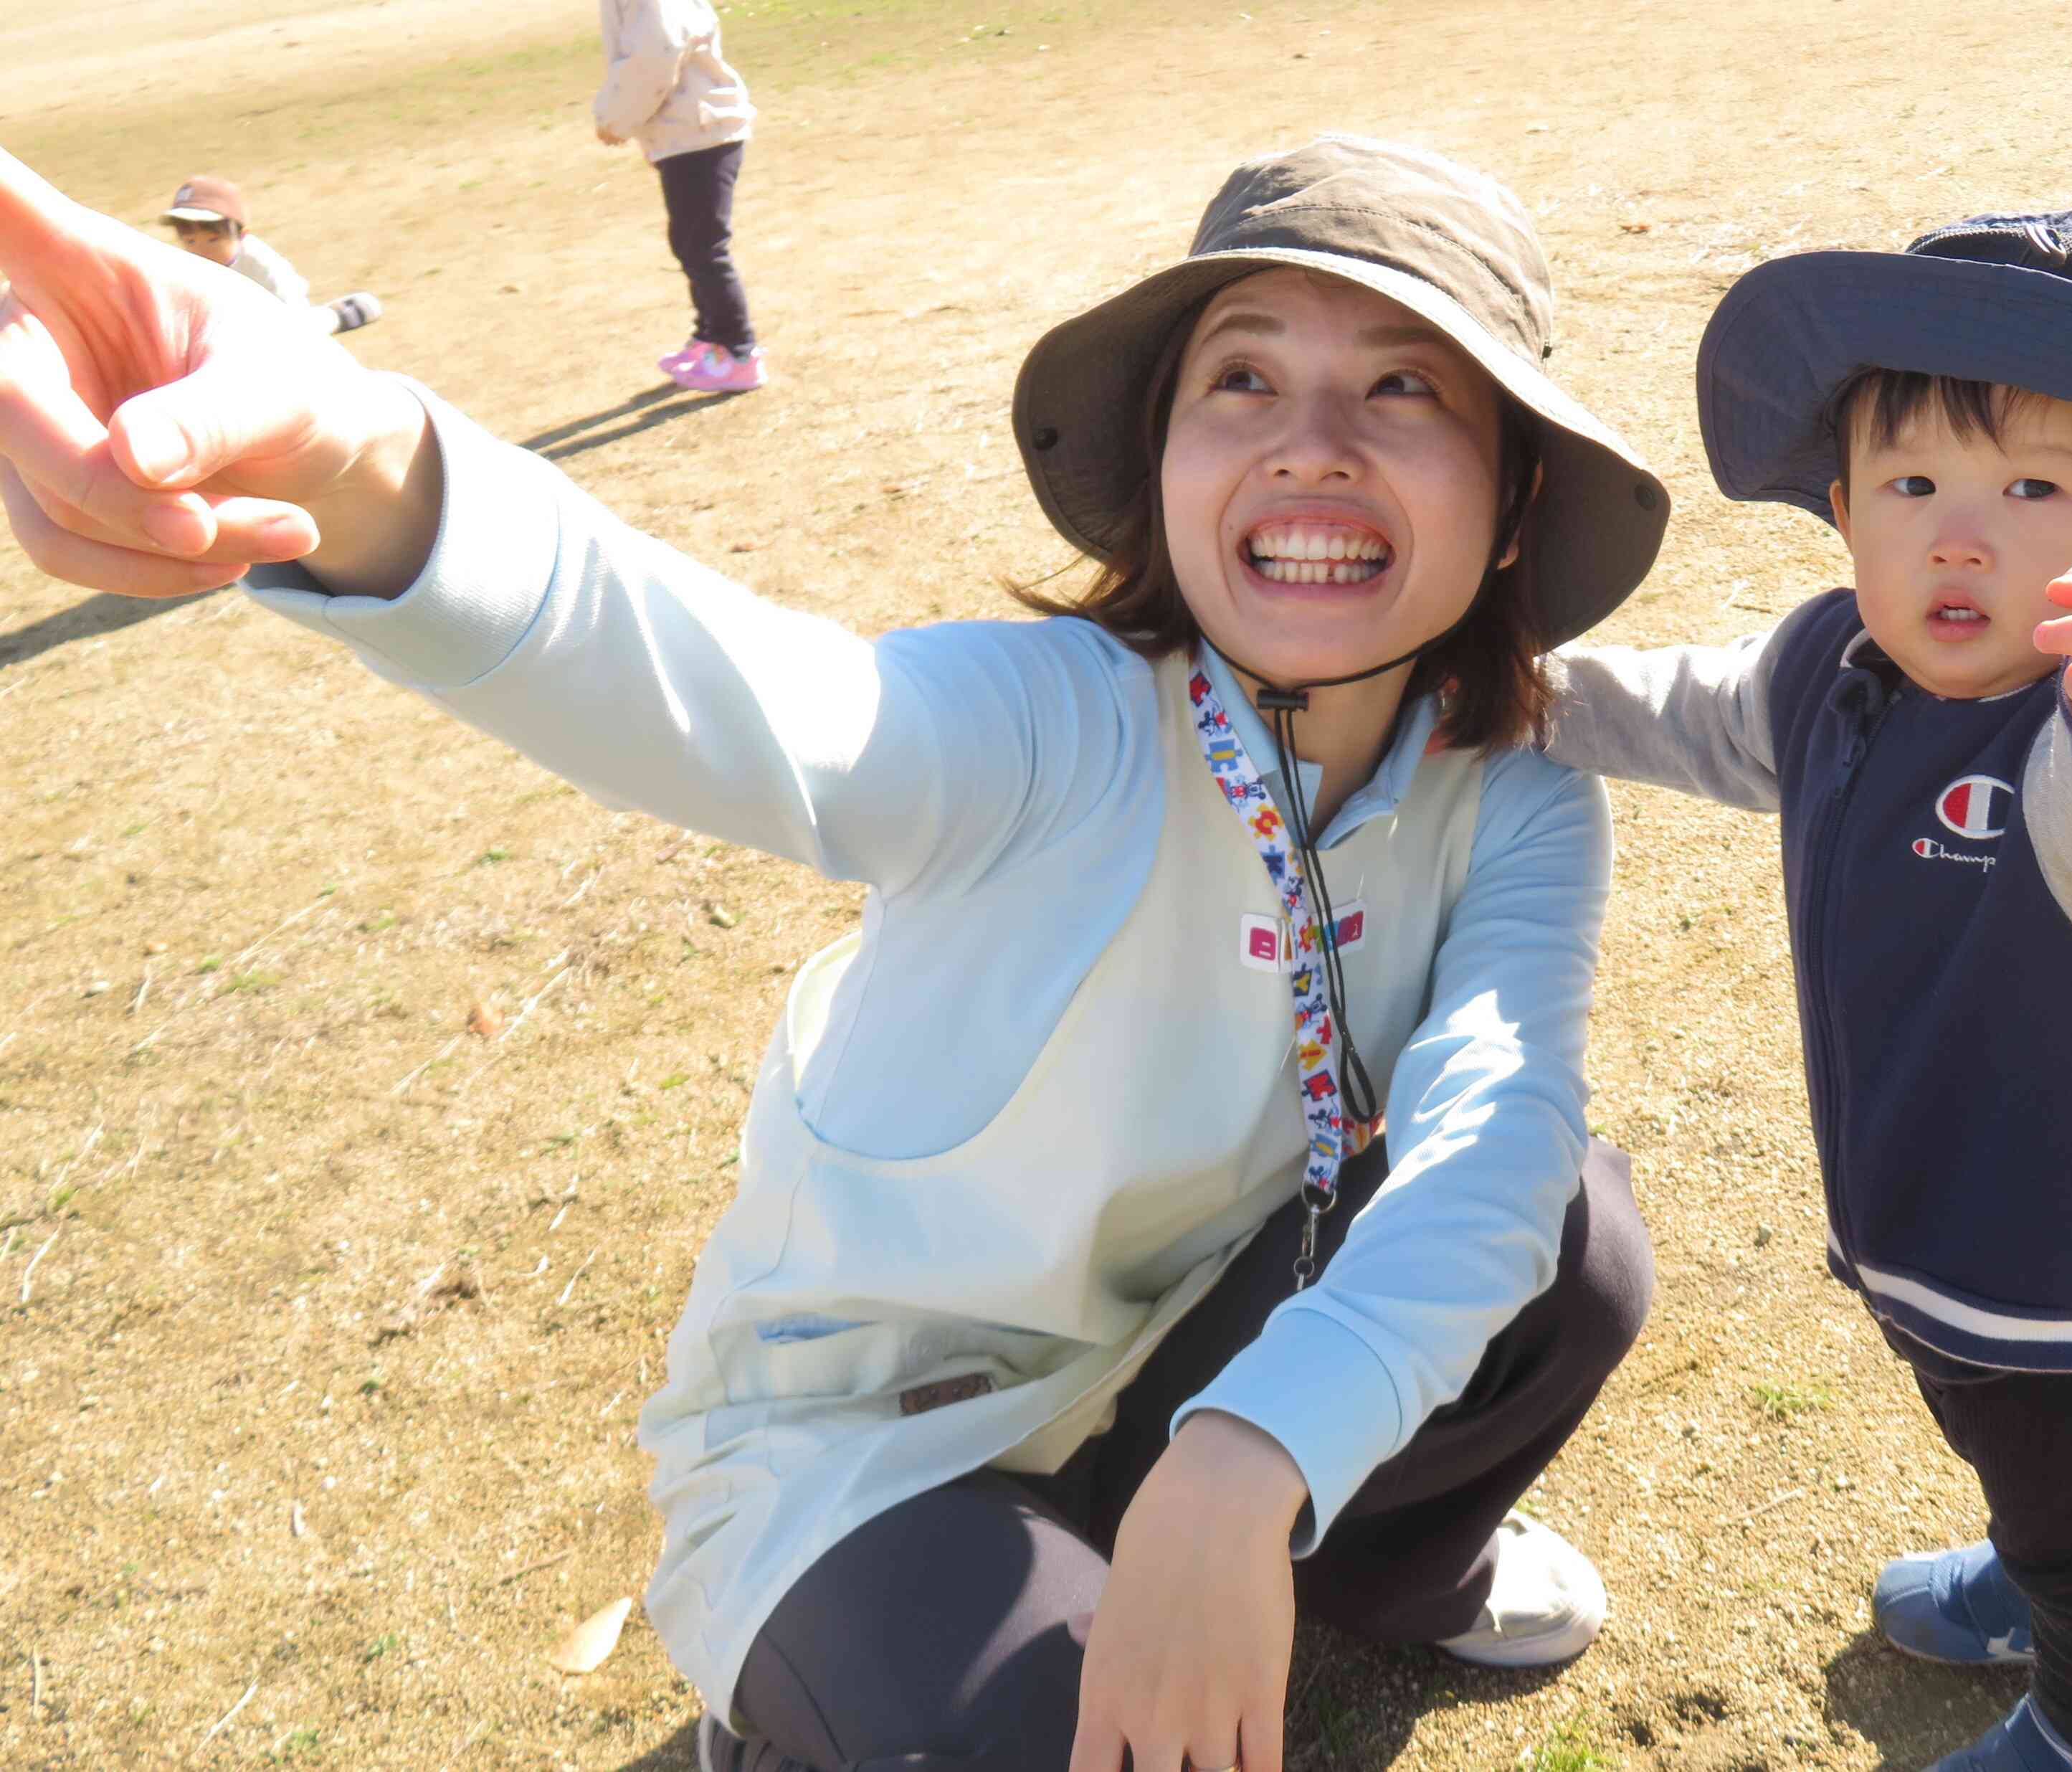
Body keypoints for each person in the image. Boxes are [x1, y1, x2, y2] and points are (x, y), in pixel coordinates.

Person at [0, 136, 1673, 1772]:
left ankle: (1387, 1574)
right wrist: (361, 460)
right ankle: (802, 1683)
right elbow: (742, 699)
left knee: (1570, 1233)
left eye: (1404, 389)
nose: (1311, 443)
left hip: (1188, 1358)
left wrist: (1249, 1453)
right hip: (869, 1446)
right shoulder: (1039, 723)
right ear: (1162, 461)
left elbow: (1490, 1147)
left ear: (1515, 495)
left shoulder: (1513, 797)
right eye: (1240, 378)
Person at [1543, 213, 2072, 1772]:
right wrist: (1529, 694)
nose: (1959, 538)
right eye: (1910, 487)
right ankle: (2029, 1570)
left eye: (2036, 487)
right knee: (2014, 1460)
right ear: (1839, 508)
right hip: (1942, 1246)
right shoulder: (1837, 664)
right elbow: (1703, 711)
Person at [594, 0, 762, 394]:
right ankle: (710, 337)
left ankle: (739, 352)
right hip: (687, 129)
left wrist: (615, 118)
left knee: (704, 248)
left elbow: (658, 52)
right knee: (689, 244)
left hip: (699, 128)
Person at [159, 175, 382, 337]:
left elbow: (291, 313)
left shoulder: (262, 264)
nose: (201, 250)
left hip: (275, 320)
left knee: (301, 333)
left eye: (213, 240)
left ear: (242, 234)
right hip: (227, 329)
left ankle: (336, 316)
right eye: (190, 241)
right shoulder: (187, 267)